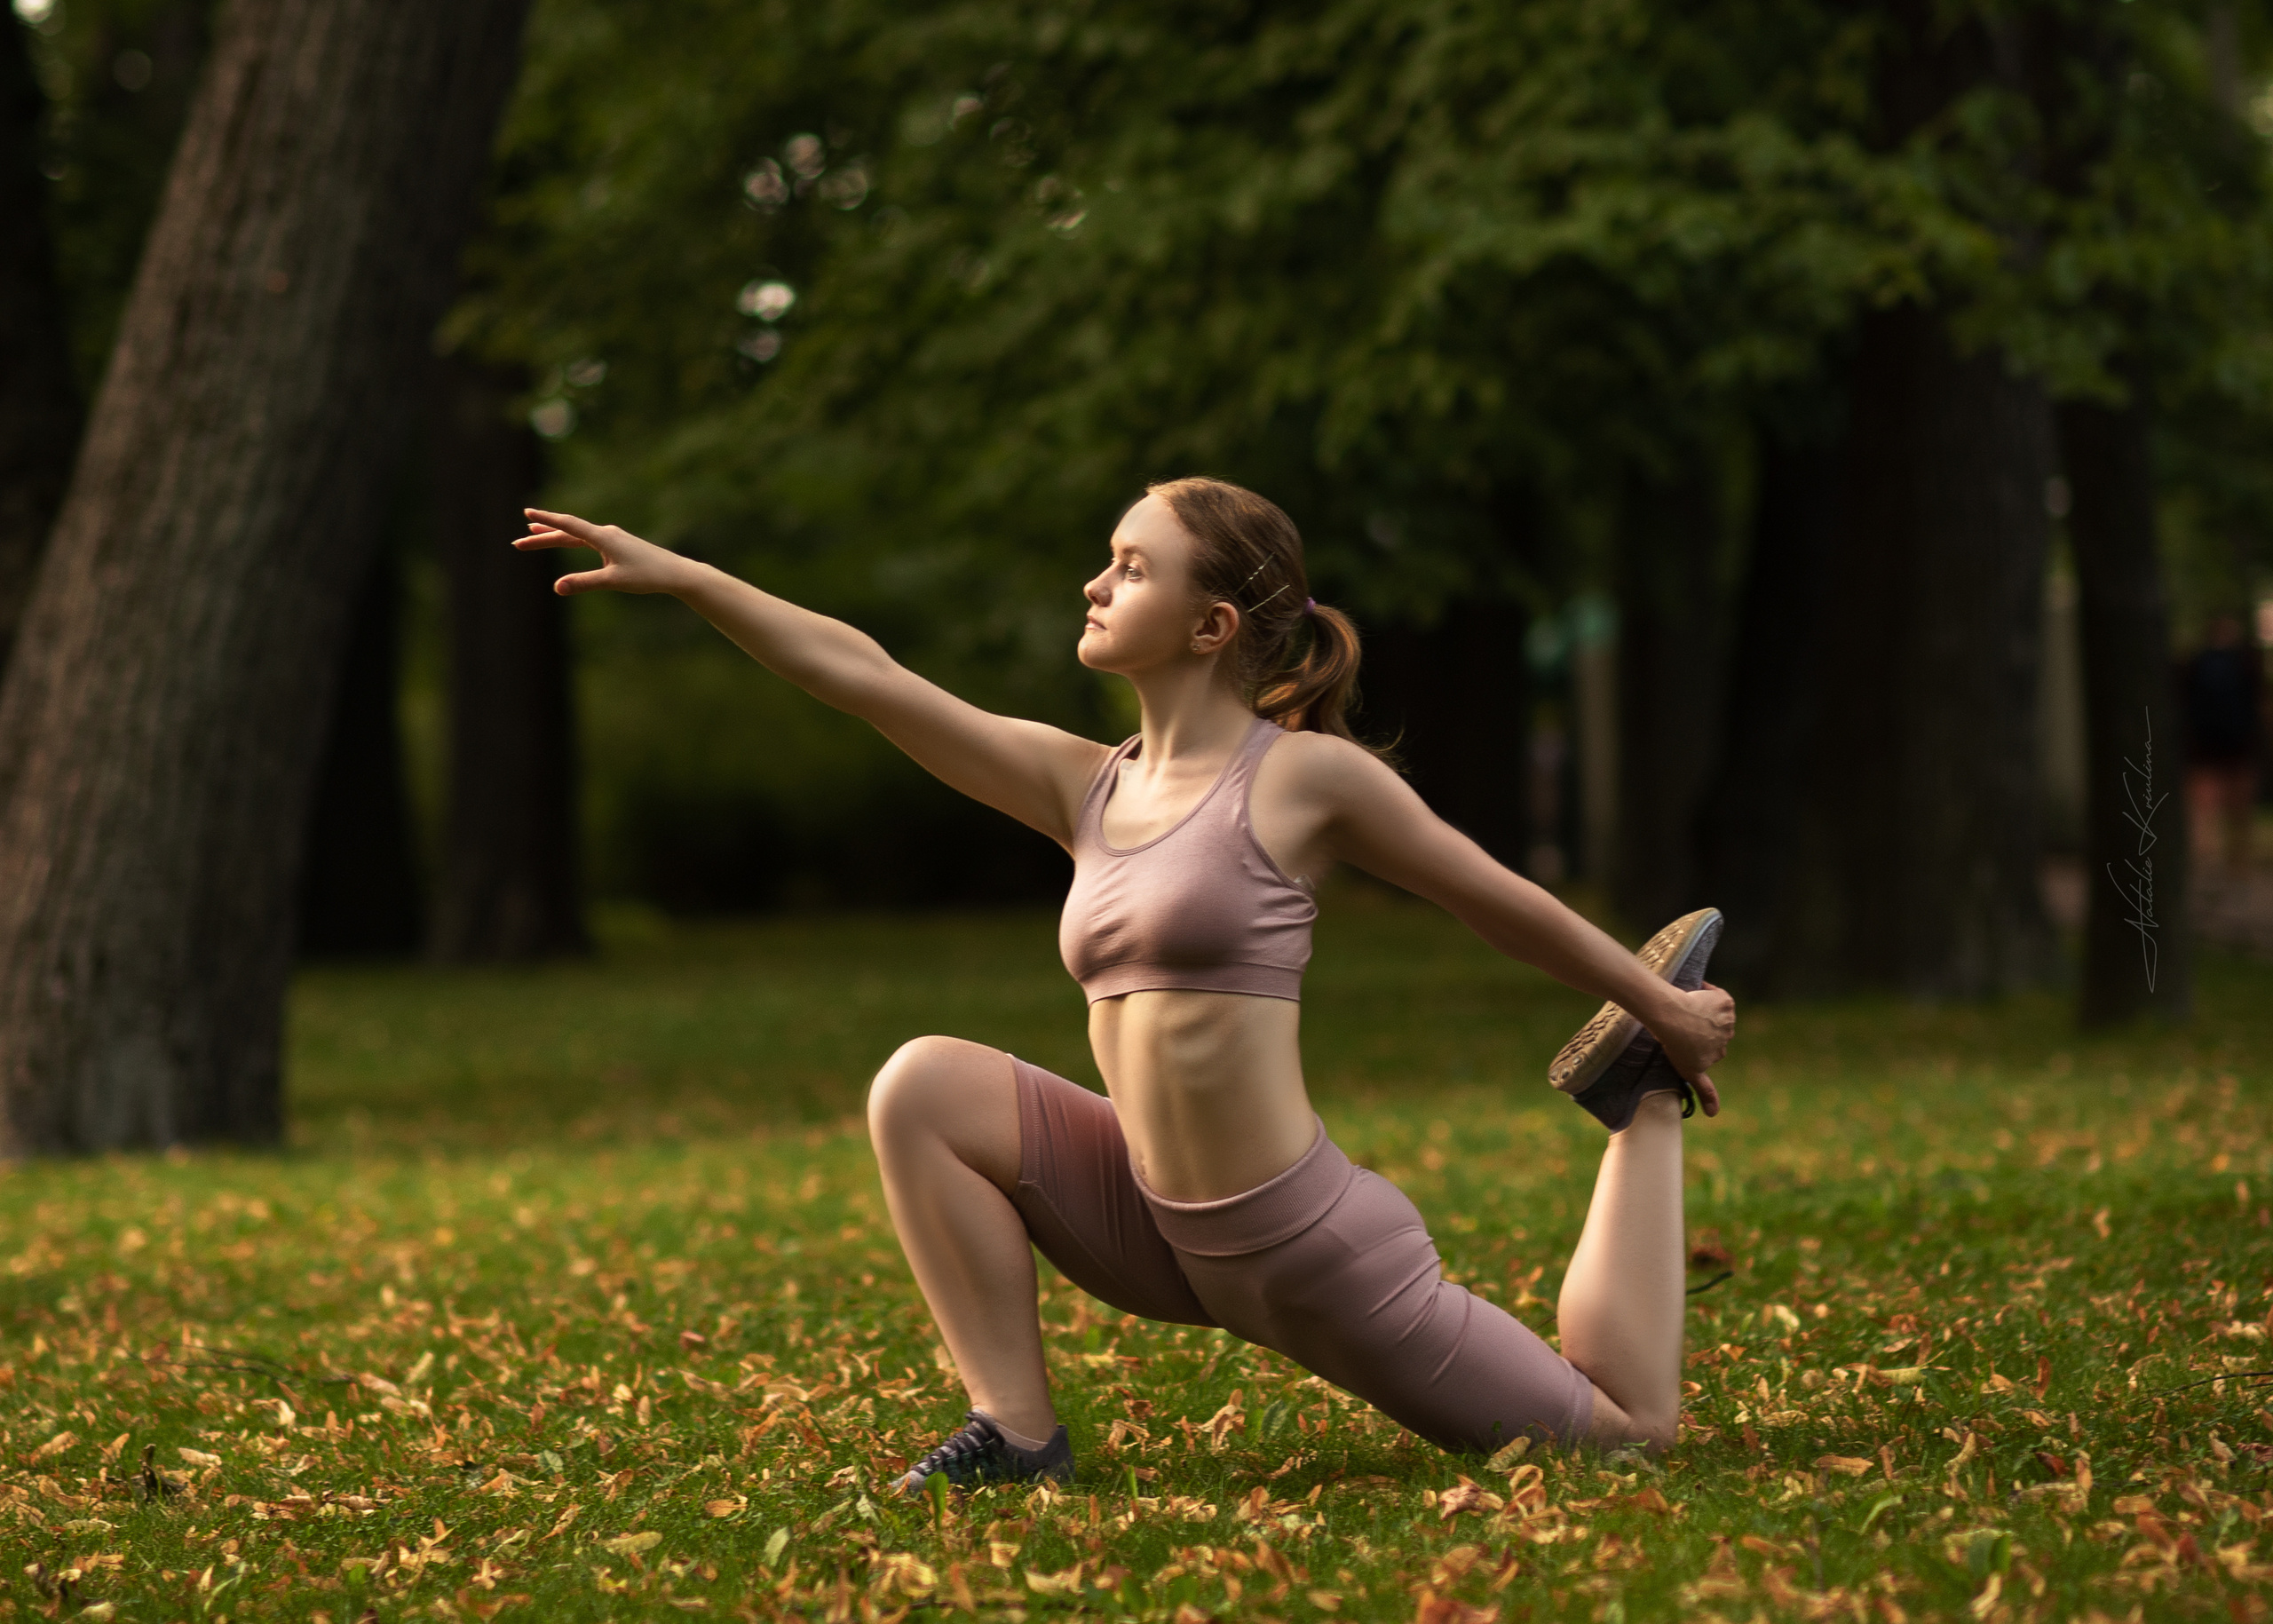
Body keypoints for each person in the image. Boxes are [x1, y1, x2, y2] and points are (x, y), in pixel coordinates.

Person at [517, 479, 1736, 1486]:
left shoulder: (1304, 780)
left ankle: (1644, 1104)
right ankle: (1021, 1433)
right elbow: (866, 675)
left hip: (1307, 1246)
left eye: (1132, 566)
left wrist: (1663, 1010)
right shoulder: (1083, 785)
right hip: (1153, 1227)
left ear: (1212, 625)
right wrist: (687, 575)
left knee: (1624, 1438)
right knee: (920, 1087)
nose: (1097, 584)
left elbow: (1489, 895)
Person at [2183, 612, 2264, 876]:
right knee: (2232, 809)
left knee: (2210, 809)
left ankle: (2213, 864)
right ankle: (2234, 866)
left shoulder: (2198, 662)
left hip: (2209, 746)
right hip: (2234, 745)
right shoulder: (2245, 662)